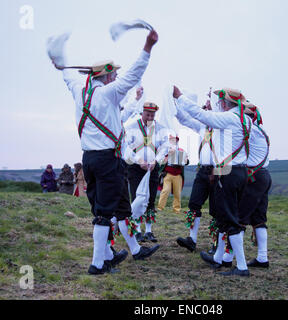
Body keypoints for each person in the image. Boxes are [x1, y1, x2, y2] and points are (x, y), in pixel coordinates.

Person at [52, 29, 160, 275]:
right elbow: (134, 74)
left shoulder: (79, 90)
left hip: (88, 159)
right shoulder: (110, 92)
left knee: (109, 206)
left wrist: (60, 61)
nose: (118, 77)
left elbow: (67, 75)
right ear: (109, 76)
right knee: (103, 213)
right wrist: (147, 46)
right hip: (108, 160)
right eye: (115, 74)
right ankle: (97, 264)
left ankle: (114, 254)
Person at [173, 86, 252, 277]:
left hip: (227, 172)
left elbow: (203, 115)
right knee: (226, 218)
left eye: (220, 103)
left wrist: (180, 97)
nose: (218, 105)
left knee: (230, 219)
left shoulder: (230, 118)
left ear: (225, 103)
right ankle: (219, 258)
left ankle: (241, 267)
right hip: (239, 171)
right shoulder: (245, 119)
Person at [223, 103, 271, 269]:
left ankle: (227, 258)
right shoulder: (261, 130)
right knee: (259, 219)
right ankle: (262, 258)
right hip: (264, 175)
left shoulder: (249, 131)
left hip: (254, 177)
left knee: (240, 217)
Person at [174, 96, 219, 254]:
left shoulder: (222, 127)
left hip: (218, 172)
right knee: (194, 204)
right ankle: (192, 239)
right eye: (205, 107)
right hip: (202, 170)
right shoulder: (202, 127)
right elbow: (184, 119)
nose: (206, 109)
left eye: (209, 107)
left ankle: (217, 243)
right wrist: (174, 102)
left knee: (216, 209)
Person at [125, 100, 169, 243]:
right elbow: (126, 148)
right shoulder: (131, 127)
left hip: (153, 167)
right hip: (136, 168)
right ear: (142, 112)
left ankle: (149, 231)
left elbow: (165, 146)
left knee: (150, 198)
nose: (150, 118)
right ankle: (136, 230)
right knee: (137, 198)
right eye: (148, 114)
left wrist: (156, 159)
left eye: (152, 115)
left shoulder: (160, 128)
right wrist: (139, 161)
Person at [157, 135, 189, 214]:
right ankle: (160, 208)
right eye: (171, 140)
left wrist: (185, 160)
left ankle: (176, 210)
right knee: (165, 190)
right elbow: (161, 161)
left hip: (177, 174)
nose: (173, 141)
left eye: (175, 140)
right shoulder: (165, 151)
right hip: (167, 174)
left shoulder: (181, 150)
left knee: (177, 193)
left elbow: (186, 161)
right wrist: (166, 158)